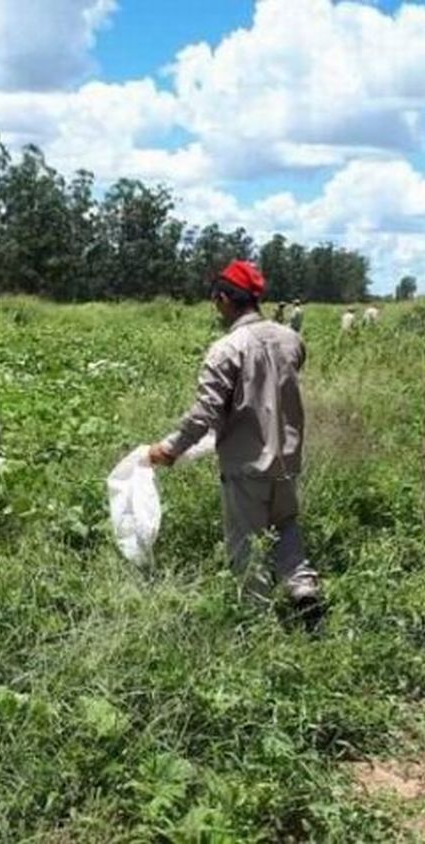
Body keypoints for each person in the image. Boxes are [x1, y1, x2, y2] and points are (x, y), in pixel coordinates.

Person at [147, 260, 323, 621]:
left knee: (247, 546)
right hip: (288, 459)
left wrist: (169, 448)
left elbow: (204, 412)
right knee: (286, 524)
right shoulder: (292, 339)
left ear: (225, 299)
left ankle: (255, 623)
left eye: (216, 300)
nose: (216, 308)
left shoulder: (226, 348)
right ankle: (303, 588)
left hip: (247, 464)